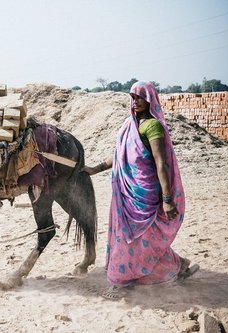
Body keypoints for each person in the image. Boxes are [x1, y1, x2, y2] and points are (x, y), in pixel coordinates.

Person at [82, 81, 198, 297]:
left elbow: (160, 163)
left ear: (150, 99)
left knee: (138, 238)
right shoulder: (130, 124)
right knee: (133, 237)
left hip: (145, 194)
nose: (134, 102)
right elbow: (118, 155)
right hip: (127, 194)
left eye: (139, 97)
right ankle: (178, 264)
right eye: (132, 97)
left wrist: (167, 198)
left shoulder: (152, 126)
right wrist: (94, 169)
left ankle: (121, 282)